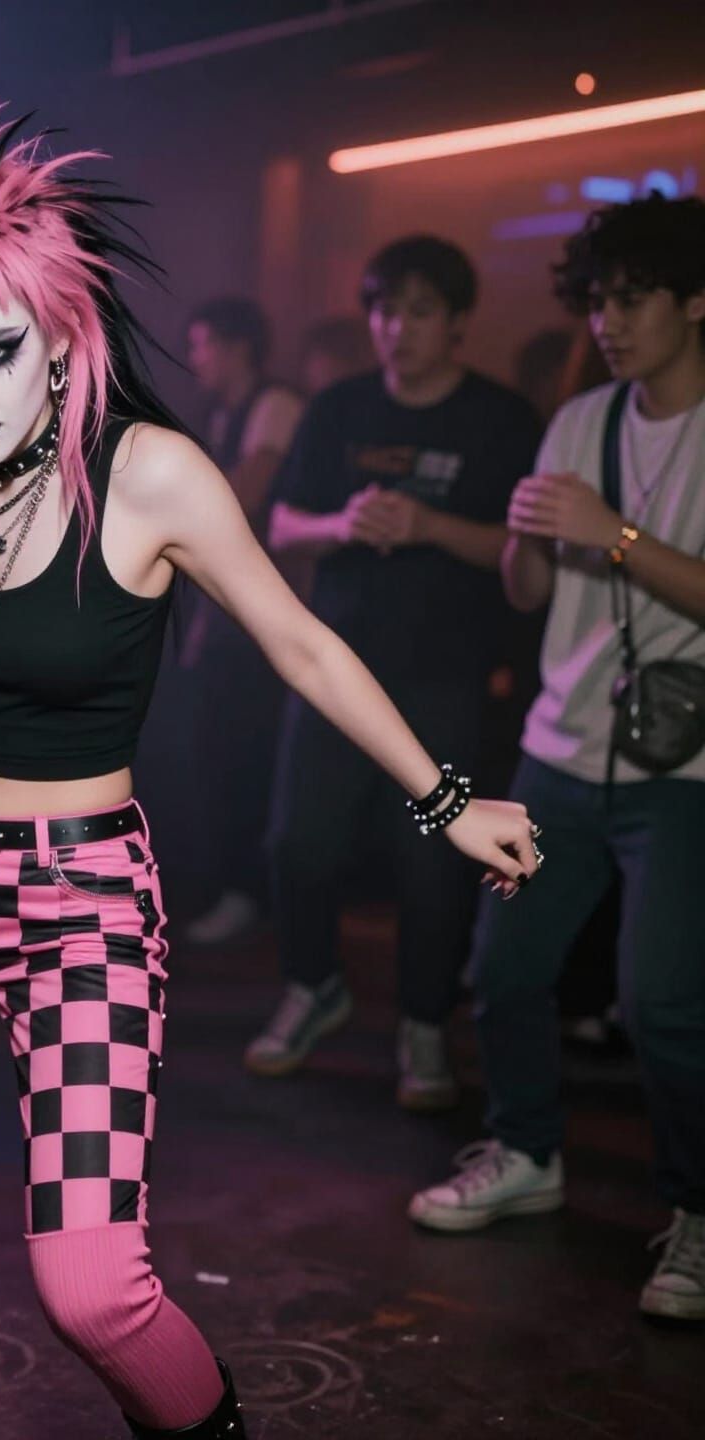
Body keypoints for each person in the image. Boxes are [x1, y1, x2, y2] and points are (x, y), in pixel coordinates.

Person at [0, 109, 539, 1440]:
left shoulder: (153, 476)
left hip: (80, 909)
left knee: (92, 1290)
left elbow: (303, 645)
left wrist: (451, 802)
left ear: (63, 331)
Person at [408, 194, 705, 1323]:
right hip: (562, 747)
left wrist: (613, 537)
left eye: (635, 299)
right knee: (508, 968)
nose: (612, 321)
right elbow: (530, 594)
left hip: (686, 768)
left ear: (694, 299)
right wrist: (532, 544)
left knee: (663, 1001)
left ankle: (698, 1211)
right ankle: (527, 1152)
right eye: (600, 299)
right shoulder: (581, 419)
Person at [258, 235, 542, 1111]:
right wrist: (341, 523)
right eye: (384, 311)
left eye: (419, 312)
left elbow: (525, 554)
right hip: (337, 670)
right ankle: (315, 986)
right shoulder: (339, 406)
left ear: (458, 324)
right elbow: (280, 528)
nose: (396, 329)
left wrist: (427, 526)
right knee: (296, 846)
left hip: (445, 676)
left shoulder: (501, 420)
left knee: (433, 869)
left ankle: (424, 1022)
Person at [180, 298, 303, 944]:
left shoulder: (274, 405)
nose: (196, 358)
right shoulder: (220, 413)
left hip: (275, 612)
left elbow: (247, 496)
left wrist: (169, 497)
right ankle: (238, 891)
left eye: (203, 344)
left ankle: (257, 898)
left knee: (254, 759)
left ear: (237, 346)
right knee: (220, 756)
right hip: (226, 617)